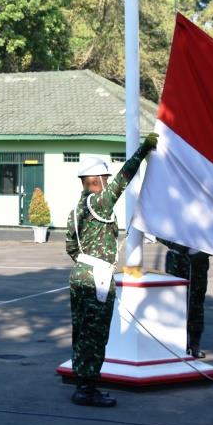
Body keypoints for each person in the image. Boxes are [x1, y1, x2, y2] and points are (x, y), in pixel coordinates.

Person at [64, 134, 158, 408]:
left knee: (81, 331)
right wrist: (144, 149)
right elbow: (124, 179)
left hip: (81, 271)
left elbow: (71, 246)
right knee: (95, 334)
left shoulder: (76, 210)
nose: (107, 181)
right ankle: (87, 389)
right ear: (96, 180)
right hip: (97, 276)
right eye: (104, 177)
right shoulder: (99, 202)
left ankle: (83, 381)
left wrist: (87, 262)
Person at [159, 239, 210, 358]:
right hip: (176, 259)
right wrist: (176, 245)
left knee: (196, 302)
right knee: (175, 303)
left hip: (199, 260)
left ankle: (194, 344)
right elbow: (157, 231)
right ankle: (177, 344)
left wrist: (205, 251)